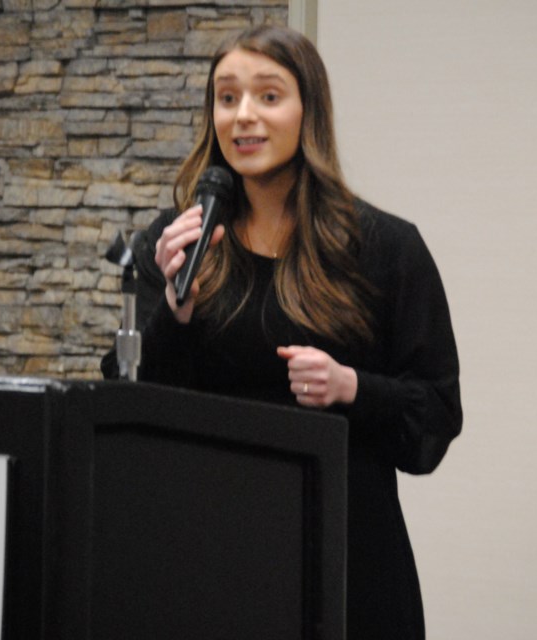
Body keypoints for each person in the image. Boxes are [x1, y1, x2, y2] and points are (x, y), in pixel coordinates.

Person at [102, 24, 462, 639]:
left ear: (309, 112)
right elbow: (126, 405)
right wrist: (174, 308)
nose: (244, 116)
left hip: (345, 560)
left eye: (269, 96)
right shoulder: (174, 243)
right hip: (206, 557)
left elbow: (436, 416)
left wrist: (353, 388)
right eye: (227, 97)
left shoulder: (385, 249)